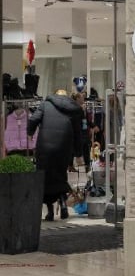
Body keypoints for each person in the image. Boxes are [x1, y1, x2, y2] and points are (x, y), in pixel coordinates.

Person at [28, 89, 85, 221]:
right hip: (64, 147)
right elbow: (78, 134)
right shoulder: (74, 109)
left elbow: (33, 119)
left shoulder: (45, 104)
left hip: (45, 146)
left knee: (45, 178)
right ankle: (63, 205)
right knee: (60, 175)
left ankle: (50, 212)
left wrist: (30, 132)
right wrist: (78, 154)